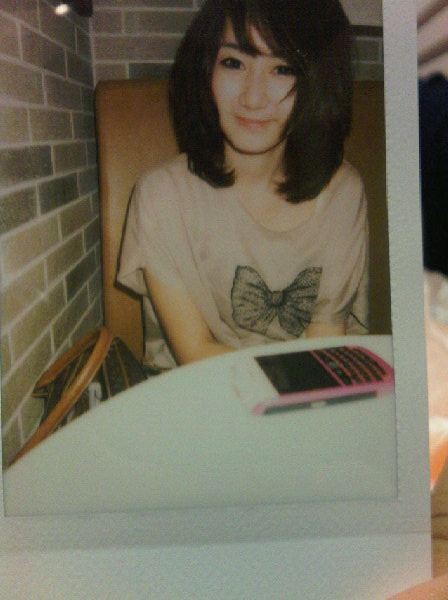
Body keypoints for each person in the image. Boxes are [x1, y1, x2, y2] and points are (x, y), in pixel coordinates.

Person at [118, 0, 368, 372]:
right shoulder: (161, 196)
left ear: (317, 82)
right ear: (205, 70)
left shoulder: (342, 192)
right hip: (199, 392)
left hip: (311, 390)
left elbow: (326, 340)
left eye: (283, 69)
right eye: (234, 63)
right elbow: (195, 353)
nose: (253, 97)